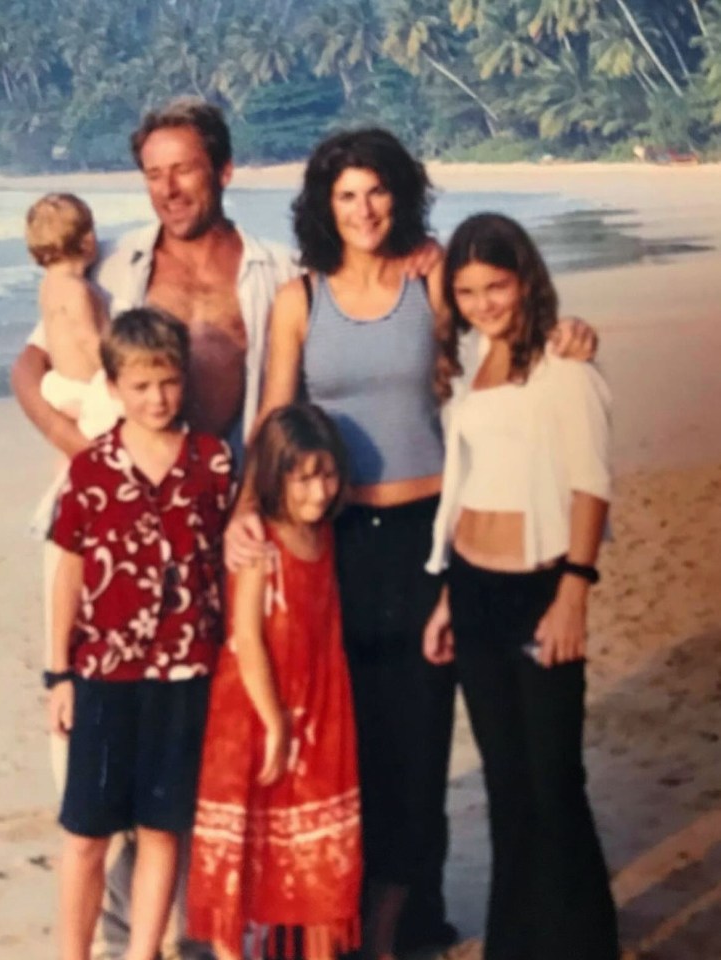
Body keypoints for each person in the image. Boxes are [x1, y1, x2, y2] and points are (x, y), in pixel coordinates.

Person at [227, 128, 598, 960]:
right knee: (342, 738)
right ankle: (341, 920)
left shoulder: (430, 281)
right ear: (325, 205)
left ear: (401, 195)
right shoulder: (300, 298)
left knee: (422, 741)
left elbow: (504, 337)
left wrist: (572, 334)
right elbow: (273, 420)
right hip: (335, 541)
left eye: (379, 191)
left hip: (431, 539)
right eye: (347, 195)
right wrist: (244, 511)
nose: (365, 209)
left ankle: (405, 923)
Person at [11, 98, 300, 960]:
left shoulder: (275, 270)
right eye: (153, 173)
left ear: (223, 169)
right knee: (90, 779)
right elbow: (31, 364)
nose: (169, 188)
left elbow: (300, 388)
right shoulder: (118, 271)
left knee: (201, 750)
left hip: (222, 517)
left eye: (184, 168)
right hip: (107, 537)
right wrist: (80, 449)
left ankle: (180, 938)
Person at [424, 213, 619, 960]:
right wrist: (445, 591)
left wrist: (575, 589)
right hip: (473, 589)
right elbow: (467, 482)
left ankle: (582, 945)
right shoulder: (471, 358)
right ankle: (516, 944)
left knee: (554, 781)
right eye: (467, 290)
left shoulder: (565, 366)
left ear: (524, 279)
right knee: (506, 784)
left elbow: (591, 483)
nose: (482, 303)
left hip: (542, 589)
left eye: (495, 286)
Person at [46, 306, 232, 960]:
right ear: (114, 386)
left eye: (169, 382)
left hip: (186, 676)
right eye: (141, 385)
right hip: (103, 674)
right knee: (87, 834)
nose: (157, 398)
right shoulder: (92, 469)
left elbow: (232, 559)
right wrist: (58, 672)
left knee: (161, 830)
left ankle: (142, 952)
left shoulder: (213, 464)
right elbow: (67, 572)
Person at [187, 404, 361, 960]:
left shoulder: (325, 535)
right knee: (244, 849)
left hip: (321, 706)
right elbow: (247, 641)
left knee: (316, 848)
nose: (318, 491)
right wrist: (275, 721)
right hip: (256, 713)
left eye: (327, 473)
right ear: (273, 476)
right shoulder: (259, 542)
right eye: (303, 477)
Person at [25, 193, 119, 440]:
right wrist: (118, 375)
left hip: (59, 382)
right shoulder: (77, 289)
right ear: (87, 241)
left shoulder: (48, 284)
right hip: (84, 388)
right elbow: (89, 339)